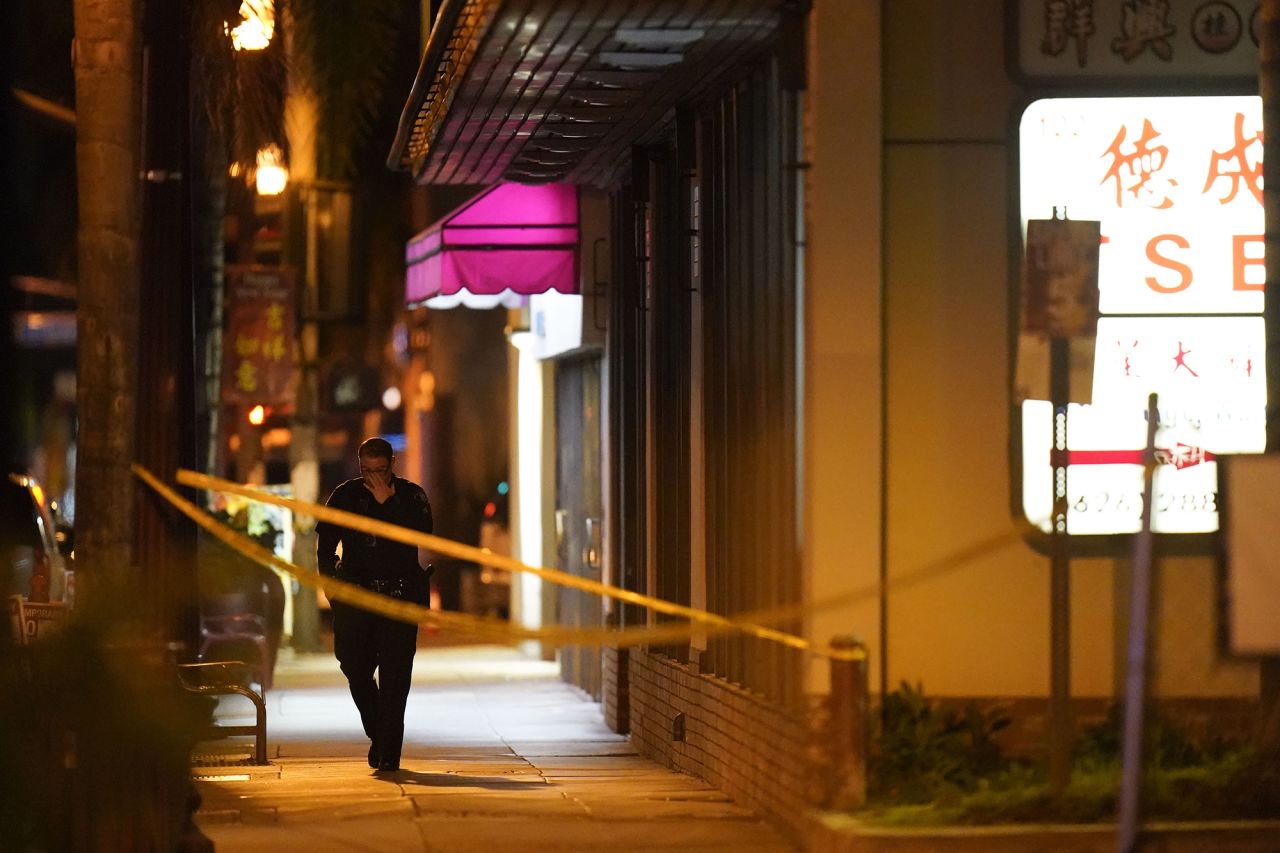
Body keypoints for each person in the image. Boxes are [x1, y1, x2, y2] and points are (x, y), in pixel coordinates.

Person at [316, 437, 433, 772]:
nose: (375, 478)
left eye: (380, 470)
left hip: (399, 595)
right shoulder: (345, 495)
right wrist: (331, 590)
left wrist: (388, 505)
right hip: (357, 596)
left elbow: (422, 536)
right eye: (368, 470)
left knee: (396, 677)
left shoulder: (410, 496)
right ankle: (380, 734)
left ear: (392, 464)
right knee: (354, 666)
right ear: (359, 464)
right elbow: (326, 547)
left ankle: (388, 752)